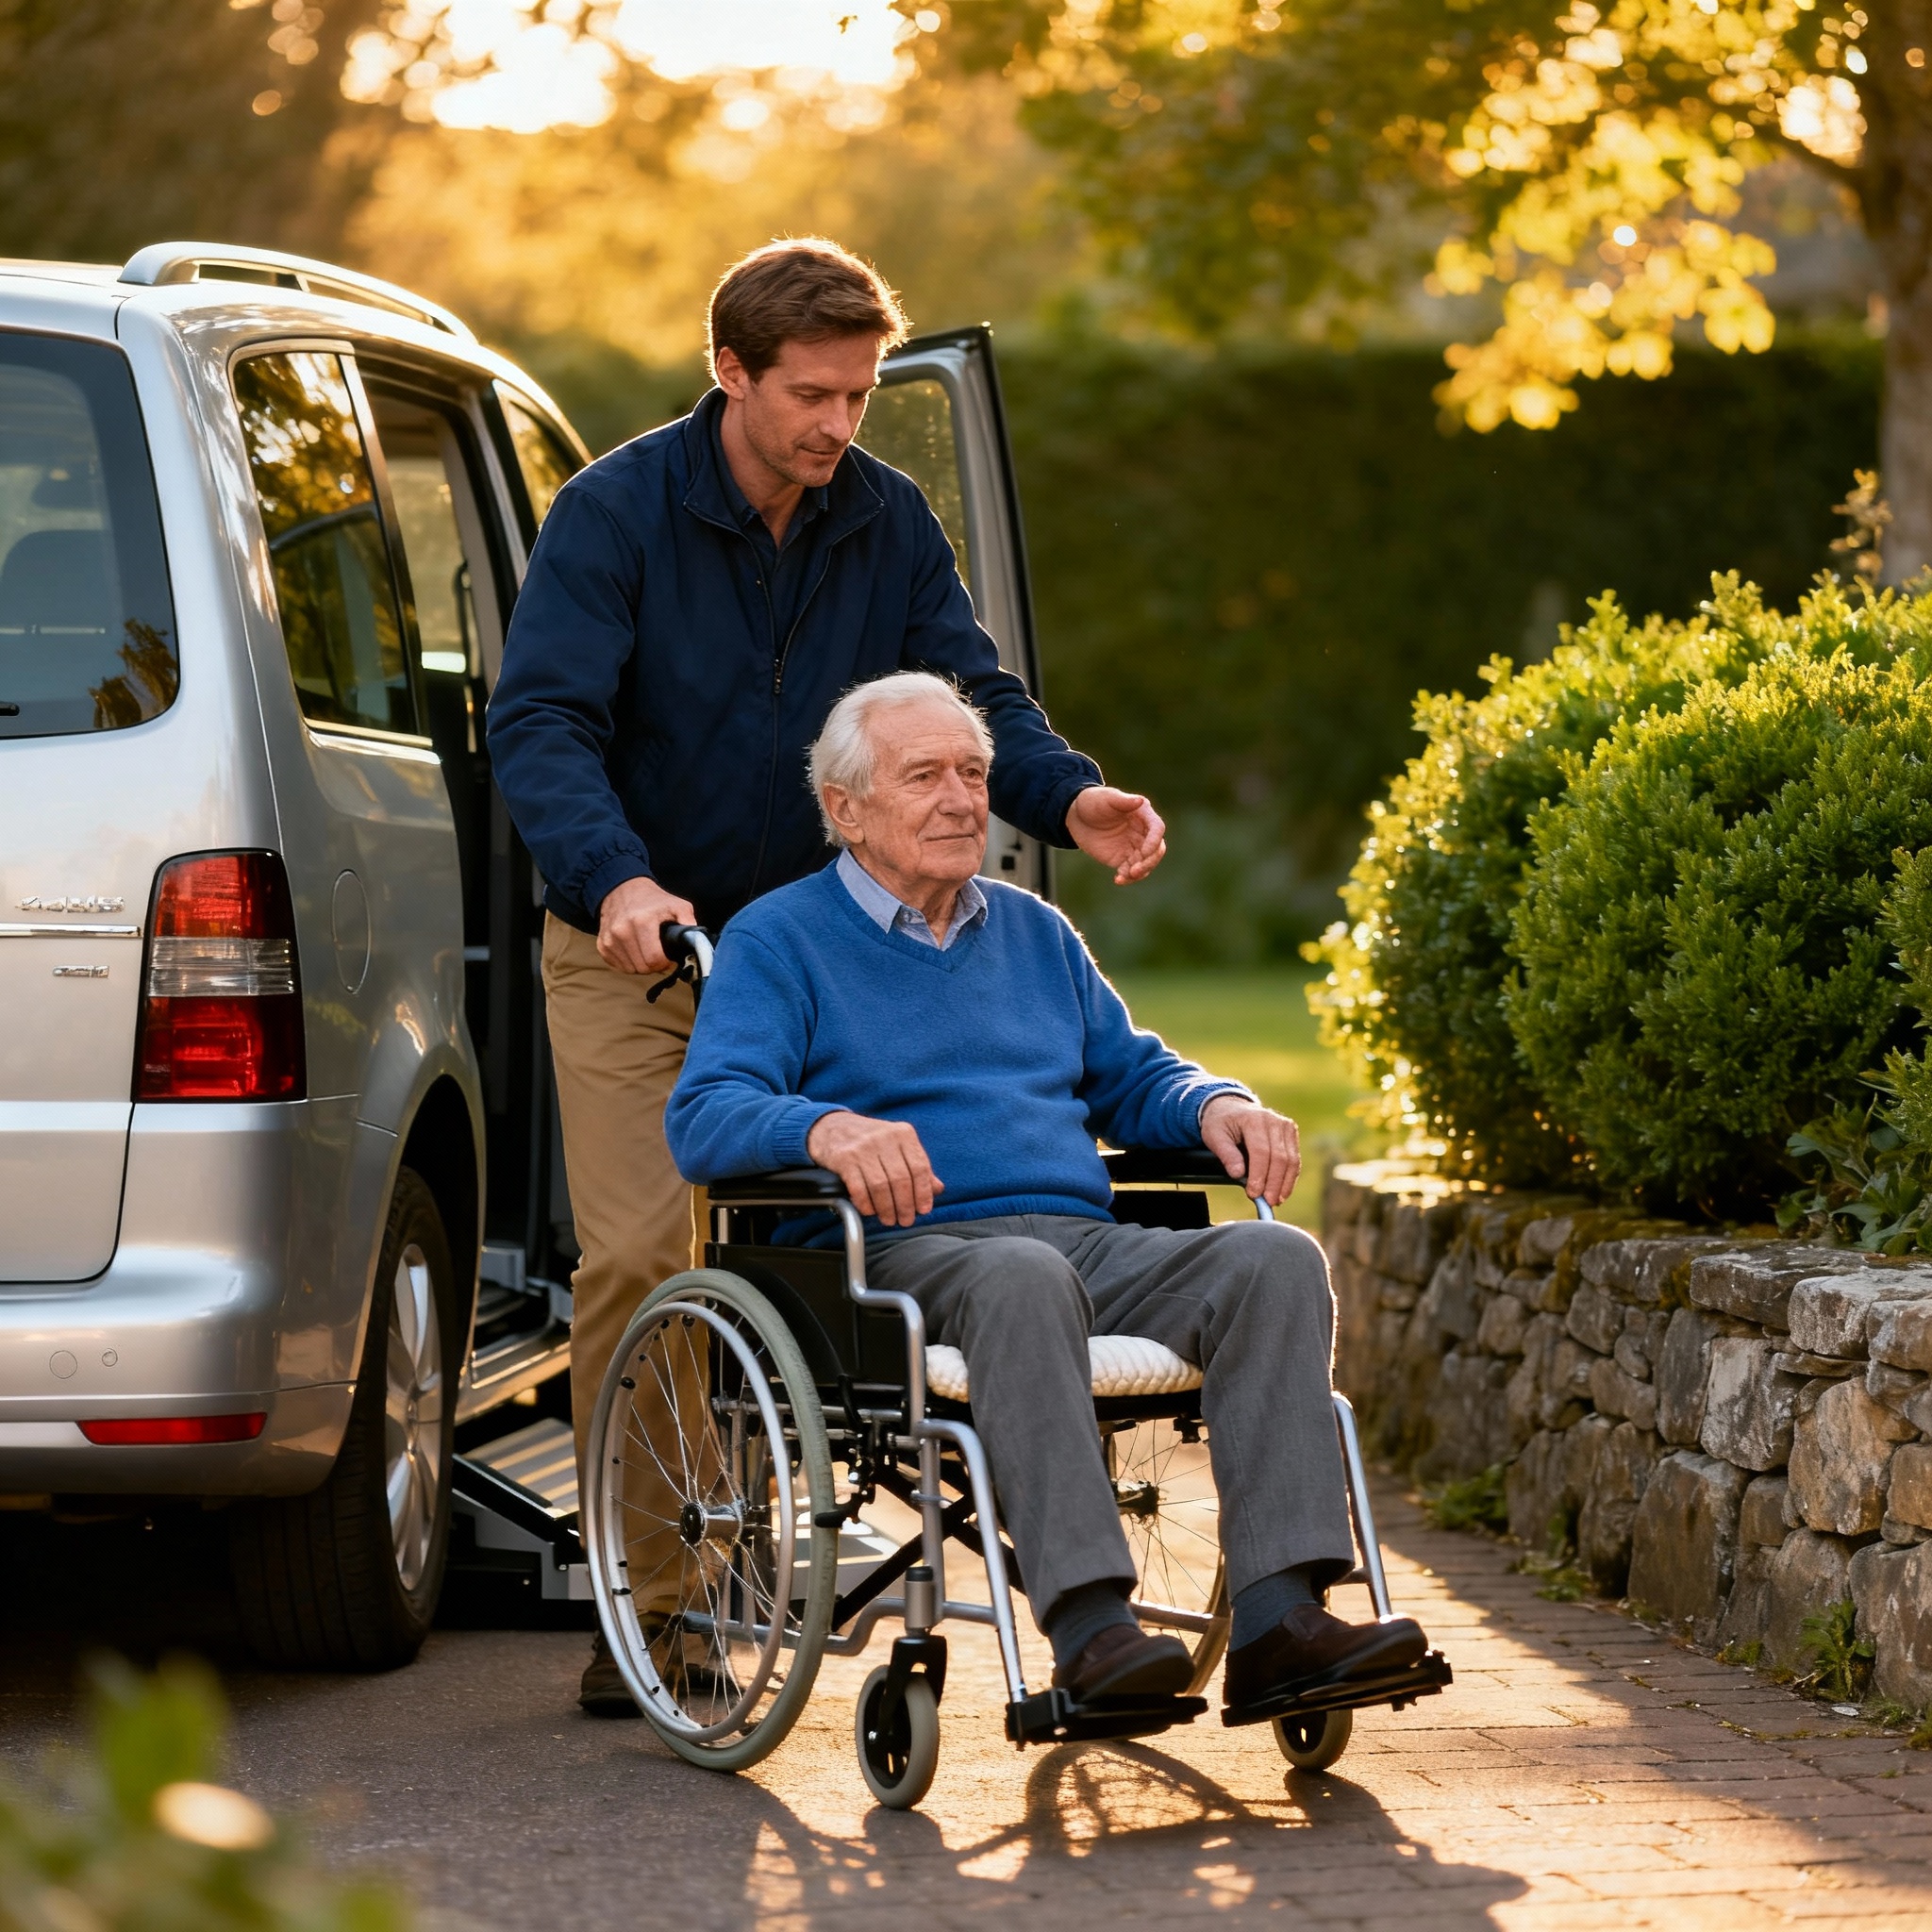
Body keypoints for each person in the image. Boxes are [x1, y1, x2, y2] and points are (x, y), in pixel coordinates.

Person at [486, 241, 1169, 1714]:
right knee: (641, 1253)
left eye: (860, 394)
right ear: (729, 372)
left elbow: (972, 690)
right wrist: (617, 879)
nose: (840, 424)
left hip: (820, 949)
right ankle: (659, 1610)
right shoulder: (614, 513)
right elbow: (541, 720)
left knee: (821, 1240)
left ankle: (810, 1523)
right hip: (643, 950)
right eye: (812, 394)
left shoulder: (886, 518)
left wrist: (1066, 799)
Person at [663, 672, 1429, 1714]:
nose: (960, 798)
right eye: (923, 775)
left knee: (1273, 1257)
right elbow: (705, 1113)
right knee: (1021, 1276)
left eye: (973, 773)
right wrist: (821, 1126)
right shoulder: (777, 938)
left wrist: (1214, 1102)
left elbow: (1132, 1074)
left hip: (1078, 1238)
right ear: (843, 807)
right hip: (896, 1251)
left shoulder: (1032, 932)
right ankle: (1091, 1628)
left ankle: (1278, 1622)